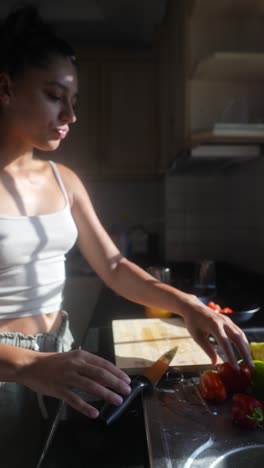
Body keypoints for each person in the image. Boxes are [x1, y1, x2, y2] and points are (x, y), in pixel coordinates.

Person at [0, 4, 252, 420]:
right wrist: (31, 365)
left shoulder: (65, 180)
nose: (70, 115)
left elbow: (114, 266)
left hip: (60, 359)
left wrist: (187, 304)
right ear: (6, 88)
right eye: (54, 96)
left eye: (74, 100)